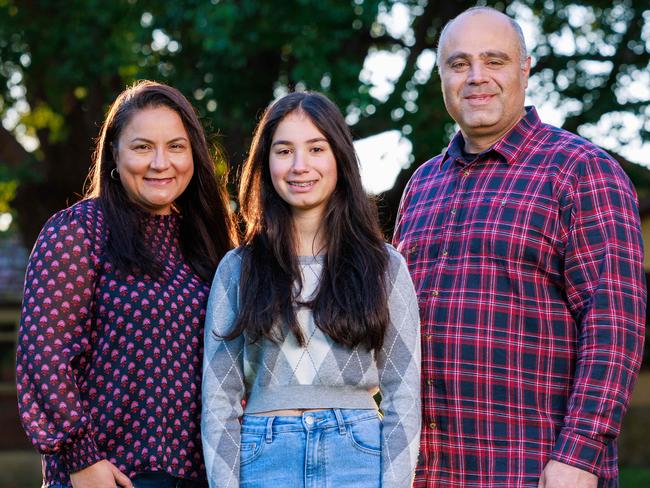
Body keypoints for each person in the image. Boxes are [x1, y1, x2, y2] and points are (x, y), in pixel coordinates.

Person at [393, 6, 646, 488]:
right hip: (424, 471)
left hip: (531, 468)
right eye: (460, 63)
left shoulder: (580, 170)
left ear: (525, 68)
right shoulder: (421, 184)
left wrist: (581, 455)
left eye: (495, 60)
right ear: (442, 75)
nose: (476, 77)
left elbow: (614, 323)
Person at [16, 80, 236, 488]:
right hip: (108, 473)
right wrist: (81, 460)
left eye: (175, 146)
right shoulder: (79, 231)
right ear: (114, 154)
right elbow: (43, 356)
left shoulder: (209, 242)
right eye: (141, 147)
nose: (160, 162)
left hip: (201, 473)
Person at [201, 91, 421, 488]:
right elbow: (219, 400)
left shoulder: (385, 267)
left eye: (316, 148)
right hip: (263, 457)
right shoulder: (238, 270)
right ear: (265, 163)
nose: (300, 166)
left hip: (358, 456)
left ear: (339, 156)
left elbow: (403, 395)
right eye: (284, 151)